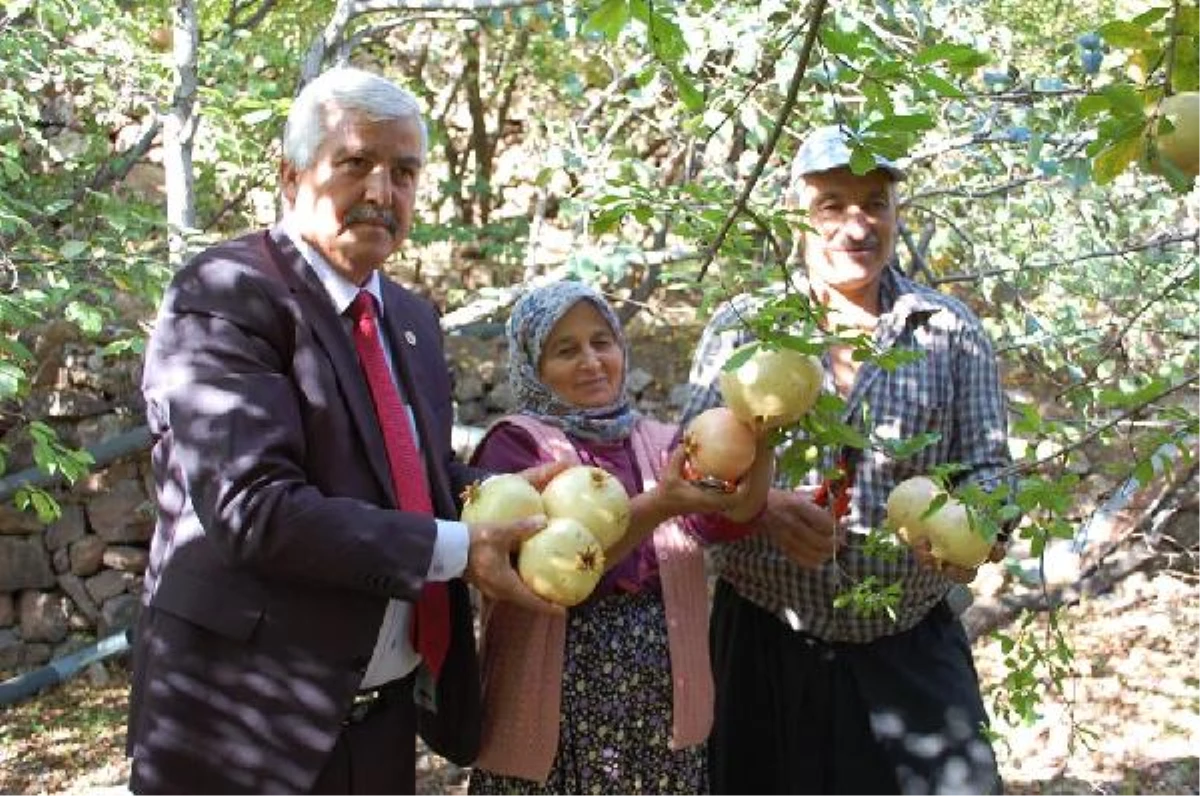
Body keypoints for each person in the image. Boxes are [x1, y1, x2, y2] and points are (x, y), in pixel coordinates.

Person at [126, 66, 564, 796]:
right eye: (355, 163)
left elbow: (404, 479)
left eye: (403, 172)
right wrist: (459, 547)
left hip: (380, 724)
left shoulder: (413, 320)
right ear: (291, 174)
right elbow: (253, 508)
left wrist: (495, 499)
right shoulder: (226, 295)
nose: (380, 193)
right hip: (243, 730)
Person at [679, 124, 1014, 795]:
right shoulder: (746, 328)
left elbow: (989, 469)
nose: (856, 224)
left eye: (874, 203)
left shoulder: (948, 331)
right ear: (796, 216)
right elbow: (690, 470)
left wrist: (977, 530)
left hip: (907, 638)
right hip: (768, 639)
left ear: (896, 214)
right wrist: (762, 509)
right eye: (832, 204)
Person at [466, 280, 773, 794]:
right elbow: (556, 571)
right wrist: (659, 506)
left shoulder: (661, 443)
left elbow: (735, 510)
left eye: (601, 342)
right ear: (534, 367)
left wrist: (763, 441)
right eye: (566, 350)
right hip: (553, 716)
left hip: (659, 715)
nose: (591, 361)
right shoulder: (515, 448)